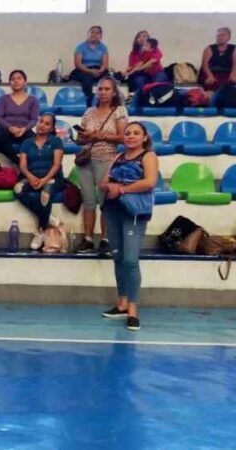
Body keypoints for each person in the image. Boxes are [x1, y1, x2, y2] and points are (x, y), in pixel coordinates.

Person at [99, 122, 158, 332]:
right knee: (118, 257)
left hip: (134, 212)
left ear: (144, 137)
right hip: (113, 210)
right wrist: (110, 186)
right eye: (128, 133)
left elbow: (149, 182)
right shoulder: (118, 157)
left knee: (131, 260)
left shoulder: (148, 156)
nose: (131, 136)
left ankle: (133, 309)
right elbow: (103, 183)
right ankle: (122, 302)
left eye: (136, 133)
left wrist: (122, 189)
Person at [75, 77, 127, 255]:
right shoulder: (89, 112)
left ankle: (106, 238)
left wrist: (99, 135)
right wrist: (84, 135)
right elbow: (79, 139)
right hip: (86, 159)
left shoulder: (118, 111)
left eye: (106, 89)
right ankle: (88, 238)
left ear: (113, 92)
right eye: (100, 89)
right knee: (88, 200)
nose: (103, 92)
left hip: (106, 158)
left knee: (105, 201)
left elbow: (122, 137)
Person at [14, 113, 65, 250]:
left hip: (52, 177)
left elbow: (56, 165)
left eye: (47, 124)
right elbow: (23, 166)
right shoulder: (27, 142)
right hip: (31, 176)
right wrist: (30, 177)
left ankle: (41, 231)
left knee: (45, 195)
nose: (42, 125)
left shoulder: (56, 141)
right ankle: (50, 218)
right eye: (41, 121)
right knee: (18, 189)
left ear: (51, 128)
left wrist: (45, 180)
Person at [0, 70, 39, 164]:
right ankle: (20, 165)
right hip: (5, 130)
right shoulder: (3, 99)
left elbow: (34, 119)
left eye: (19, 78)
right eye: (13, 79)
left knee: (36, 143)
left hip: (24, 130)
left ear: (25, 82)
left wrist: (24, 129)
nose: (16, 81)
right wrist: (10, 128)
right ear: (10, 83)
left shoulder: (33, 100)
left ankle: (32, 169)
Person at [70, 26, 110, 106]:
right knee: (87, 80)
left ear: (100, 36)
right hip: (83, 69)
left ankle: (105, 102)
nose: (94, 34)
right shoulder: (81, 47)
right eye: (92, 32)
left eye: (97, 33)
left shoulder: (103, 48)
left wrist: (100, 71)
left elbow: (105, 64)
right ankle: (88, 103)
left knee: (107, 79)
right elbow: (78, 64)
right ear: (88, 34)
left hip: (98, 69)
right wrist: (90, 71)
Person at [200, 27, 236, 92]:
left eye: (223, 35)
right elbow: (204, 65)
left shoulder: (234, 48)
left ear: (229, 37)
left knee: (230, 84)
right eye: (218, 36)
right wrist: (210, 76)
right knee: (211, 83)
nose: (220, 37)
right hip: (211, 72)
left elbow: (235, 64)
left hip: (227, 73)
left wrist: (233, 75)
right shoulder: (209, 48)